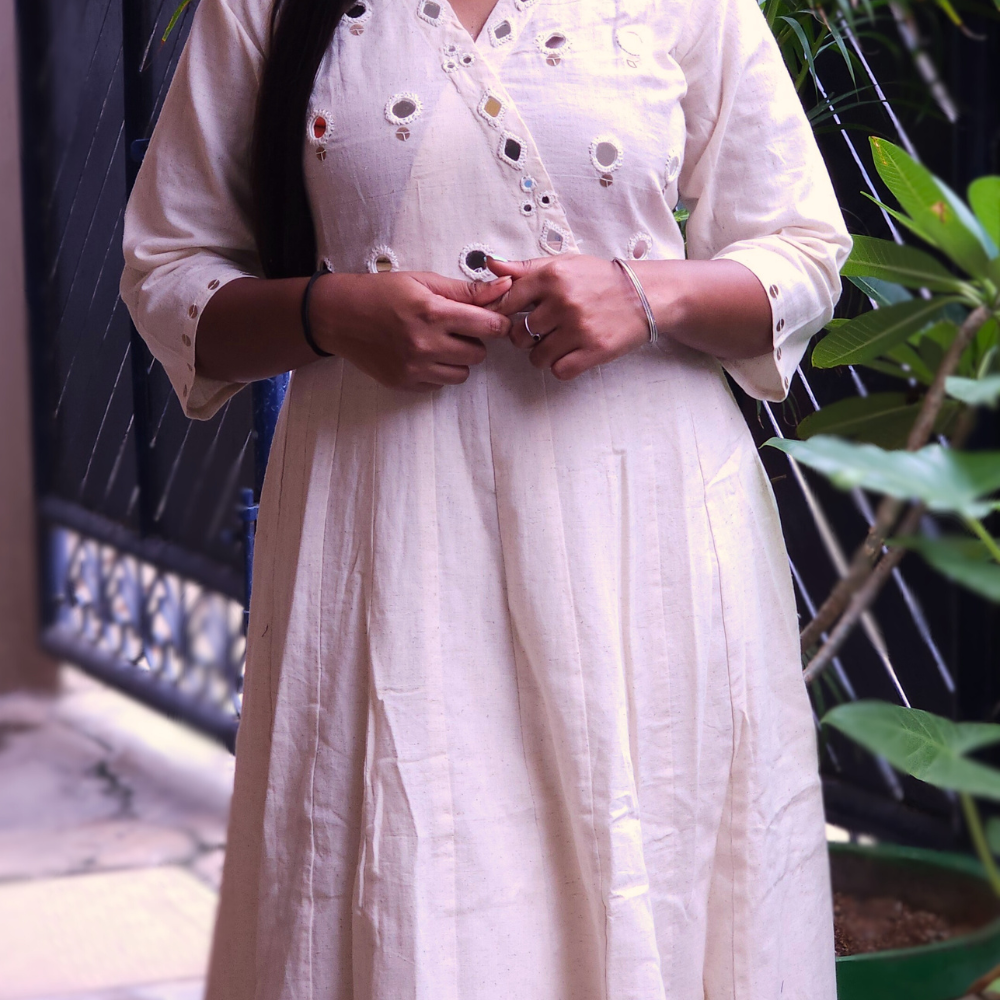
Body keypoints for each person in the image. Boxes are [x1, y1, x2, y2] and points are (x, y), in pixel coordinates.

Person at [121, 0, 851, 995]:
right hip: (385, 534)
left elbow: (801, 248)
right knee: (403, 871)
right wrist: (326, 313)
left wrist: (646, 293)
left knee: (655, 868)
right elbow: (168, 271)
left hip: (641, 541)